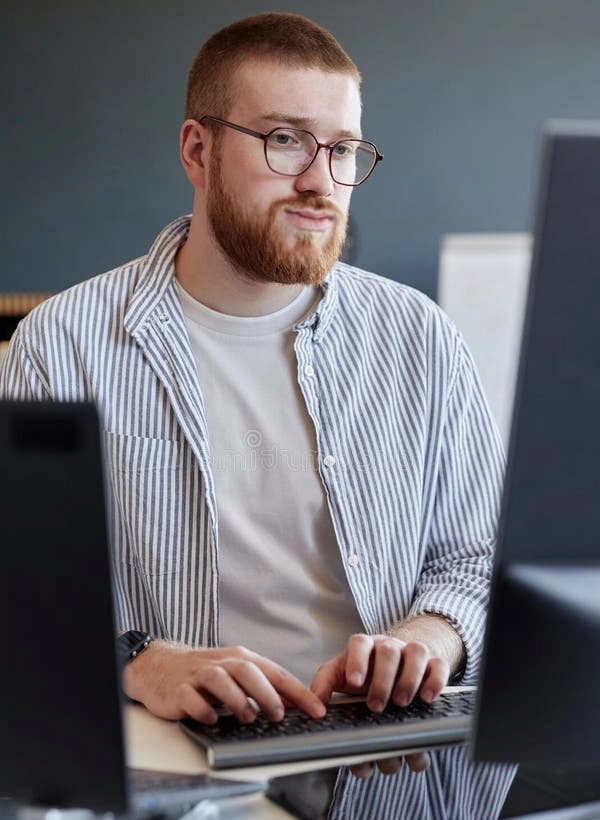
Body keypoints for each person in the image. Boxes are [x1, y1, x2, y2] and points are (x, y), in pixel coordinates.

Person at [1, 12, 515, 818]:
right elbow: (21, 602)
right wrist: (139, 661)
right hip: (183, 784)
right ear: (197, 151)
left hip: (401, 779)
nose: (320, 179)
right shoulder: (60, 346)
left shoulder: (420, 338)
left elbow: (485, 559)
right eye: (285, 140)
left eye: (343, 150)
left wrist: (430, 638)